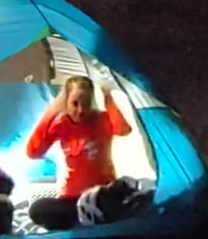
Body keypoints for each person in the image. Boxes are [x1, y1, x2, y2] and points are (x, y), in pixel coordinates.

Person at [24, 75, 137, 230]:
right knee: (37, 209)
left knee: (119, 198)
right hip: (73, 198)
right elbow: (33, 152)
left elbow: (124, 130)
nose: (80, 110)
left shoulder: (102, 119)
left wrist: (107, 96)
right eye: (75, 104)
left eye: (86, 104)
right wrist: (50, 113)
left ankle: (90, 218)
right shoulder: (61, 124)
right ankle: (89, 219)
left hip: (99, 195)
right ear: (66, 102)